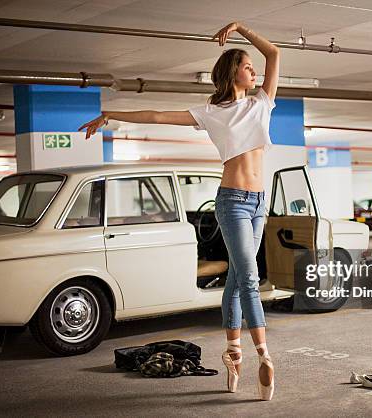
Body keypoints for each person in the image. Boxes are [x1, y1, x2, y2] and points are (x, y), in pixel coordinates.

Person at [78, 21, 279, 401]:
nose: (255, 70)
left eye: (254, 66)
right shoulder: (212, 112)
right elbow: (157, 116)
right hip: (233, 201)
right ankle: (264, 356)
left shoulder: (262, 103)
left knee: (238, 277)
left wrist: (241, 29)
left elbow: (275, 54)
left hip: (258, 202)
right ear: (232, 71)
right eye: (248, 65)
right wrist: (111, 115)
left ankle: (232, 354)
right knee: (250, 278)